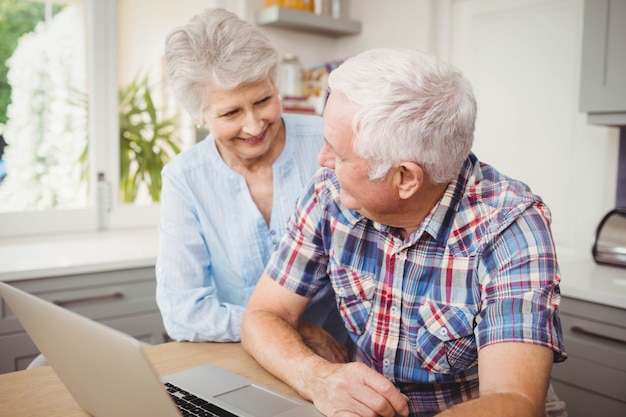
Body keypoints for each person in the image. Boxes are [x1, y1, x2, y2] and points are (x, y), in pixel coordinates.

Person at [241, 47, 568, 417]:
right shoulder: (329, 193)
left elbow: (515, 402)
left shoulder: (510, 225)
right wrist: (317, 377)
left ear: (404, 178)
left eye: (339, 154)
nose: (323, 160)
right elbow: (262, 314)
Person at [156, 7, 348, 357]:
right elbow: (182, 313)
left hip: (341, 357)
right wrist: (284, 329)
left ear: (276, 84)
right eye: (230, 113)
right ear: (198, 116)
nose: (254, 125)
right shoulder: (184, 179)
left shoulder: (327, 145)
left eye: (263, 100)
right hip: (247, 357)